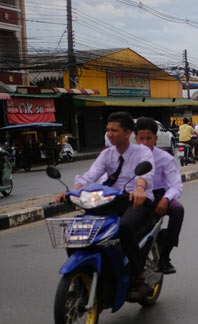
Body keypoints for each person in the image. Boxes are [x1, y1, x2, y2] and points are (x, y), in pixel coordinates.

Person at [56, 112, 155, 298]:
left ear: (127, 133)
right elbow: (91, 175)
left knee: (124, 228)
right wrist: (72, 191)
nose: (109, 133)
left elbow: (145, 174)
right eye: (108, 130)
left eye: (114, 130)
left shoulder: (142, 152)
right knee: (84, 224)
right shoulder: (106, 154)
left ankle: (139, 276)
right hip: (110, 199)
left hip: (137, 201)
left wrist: (140, 189)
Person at [134, 117, 184, 275]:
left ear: (155, 138)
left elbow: (175, 184)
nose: (145, 142)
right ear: (135, 138)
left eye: (149, 138)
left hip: (158, 195)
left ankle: (165, 255)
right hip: (134, 195)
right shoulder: (128, 156)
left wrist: (166, 199)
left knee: (177, 209)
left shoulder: (165, 158)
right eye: (141, 138)